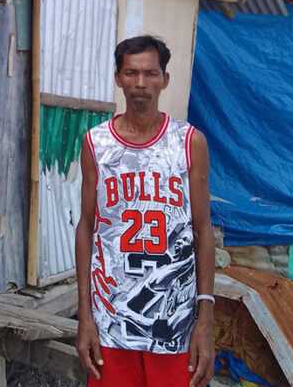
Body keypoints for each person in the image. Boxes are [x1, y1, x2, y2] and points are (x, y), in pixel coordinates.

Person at [75, 35, 215, 387]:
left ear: (165, 79)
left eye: (150, 73)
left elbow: (202, 229)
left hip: (175, 321)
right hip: (112, 320)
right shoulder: (96, 144)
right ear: (118, 77)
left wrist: (205, 318)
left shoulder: (188, 142)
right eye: (131, 73)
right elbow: (87, 227)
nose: (141, 83)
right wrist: (85, 317)